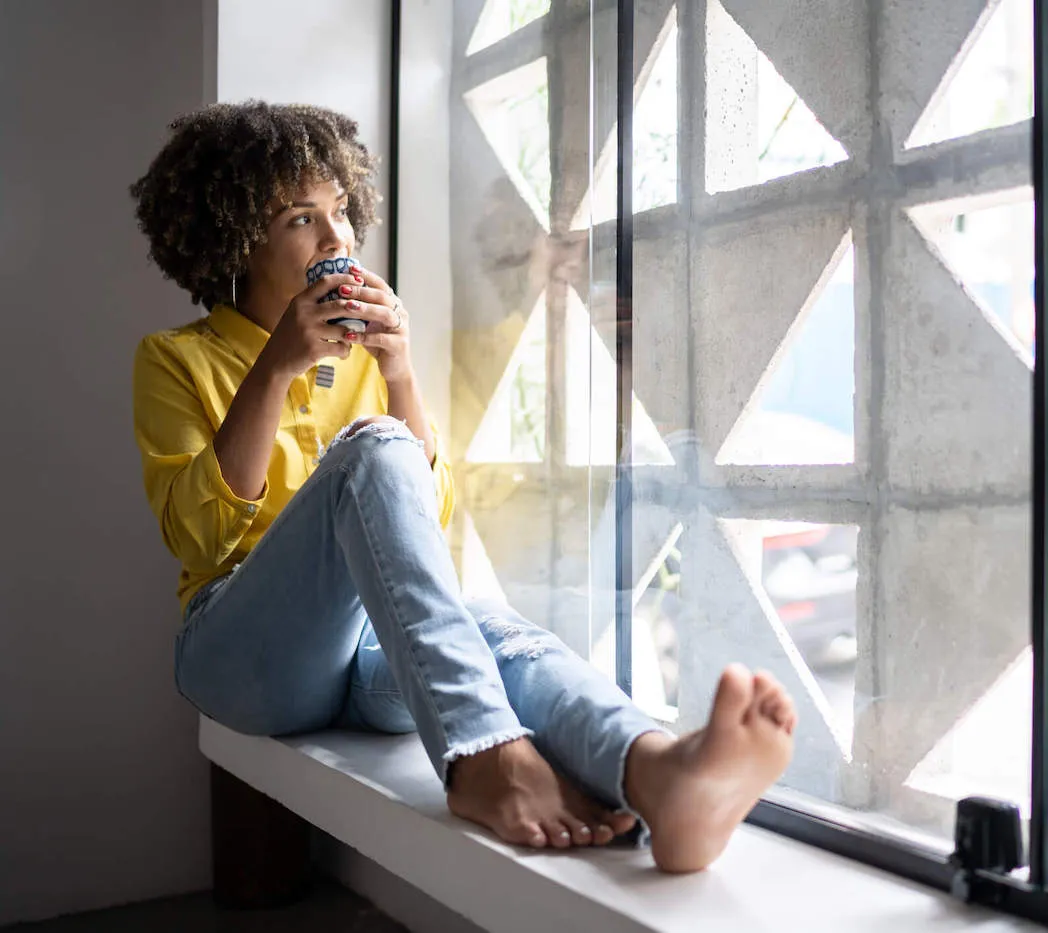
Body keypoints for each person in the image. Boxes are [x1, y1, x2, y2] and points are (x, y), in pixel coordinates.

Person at [129, 101, 795, 873]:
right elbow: (201, 536)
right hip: (240, 654)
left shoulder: (361, 358)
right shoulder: (175, 358)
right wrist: (277, 365)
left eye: (340, 211)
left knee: (498, 632)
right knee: (377, 448)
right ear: (236, 238)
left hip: (362, 654)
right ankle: (485, 757)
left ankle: (657, 770)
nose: (338, 238)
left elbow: (422, 525)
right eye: (300, 220)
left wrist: (399, 371)